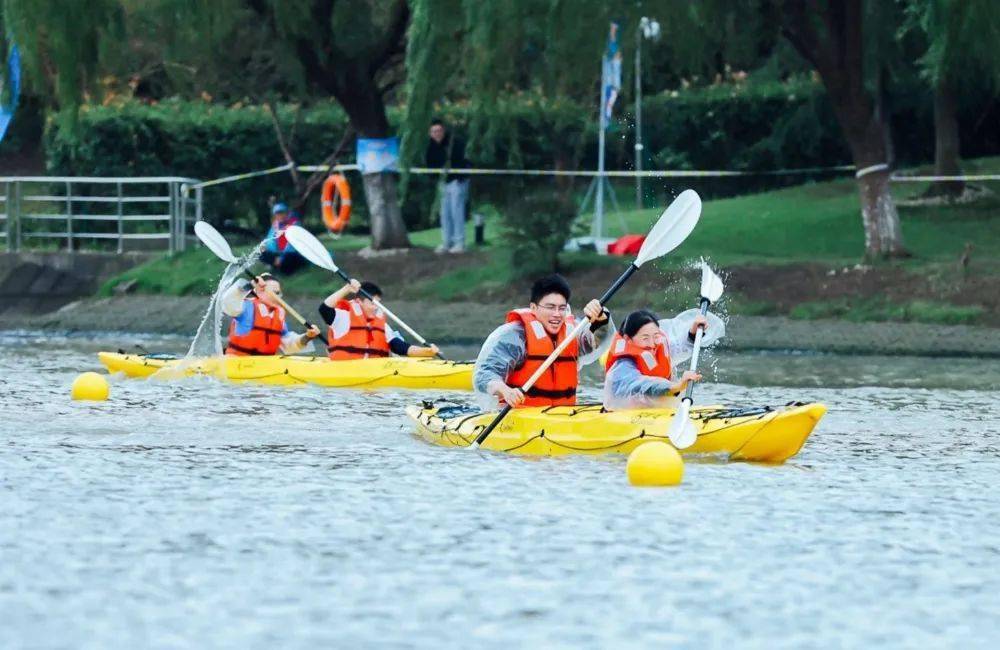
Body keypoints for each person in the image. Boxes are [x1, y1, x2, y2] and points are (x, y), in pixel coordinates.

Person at [474, 274, 609, 408]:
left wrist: (600, 318)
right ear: (533, 308)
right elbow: (485, 376)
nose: (556, 314)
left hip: (561, 416)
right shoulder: (515, 336)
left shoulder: (572, 333)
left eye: (561, 308)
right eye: (550, 307)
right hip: (517, 418)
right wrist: (505, 391)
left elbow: (598, 341)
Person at [602, 309, 710, 410]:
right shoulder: (623, 365)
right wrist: (676, 386)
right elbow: (641, 386)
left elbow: (679, 348)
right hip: (624, 414)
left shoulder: (657, 347)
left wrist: (693, 333)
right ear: (627, 339)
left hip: (656, 410)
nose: (652, 344)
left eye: (655, 336)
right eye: (645, 338)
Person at [319, 279, 440, 359]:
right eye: (372, 303)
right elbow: (324, 309)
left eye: (378, 303)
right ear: (358, 301)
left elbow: (401, 347)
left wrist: (427, 351)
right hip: (345, 373)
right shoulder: (343, 317)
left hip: (374, 375)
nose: (375, 307)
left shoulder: (381, 324)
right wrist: (346, 289)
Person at [222, 273, 320, 356]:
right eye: (274, 292)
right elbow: (227, 301)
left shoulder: (278, 314)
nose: (277, 297)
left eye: (278, 293)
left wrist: (307, 336)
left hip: (264, 365)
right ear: (259, 291)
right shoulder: (245, 307)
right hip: (238, 362)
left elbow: (289, 345)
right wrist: (250, 285)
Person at [425, 118, 471, 254]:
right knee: (444, 213)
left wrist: (460, 177)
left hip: (457, 181)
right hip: (443, 183)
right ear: (430, 133)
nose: (436, 134)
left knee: (456, 211)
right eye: (434, 131)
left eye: (439, 131)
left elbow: (465, 161)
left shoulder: (455, 143)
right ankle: (446, 242)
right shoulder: (431, 147)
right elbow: (430, 166)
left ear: (443, 131)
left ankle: (459, 243)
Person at [259, 203, 306, 275]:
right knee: (261, 254)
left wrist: (282, 257)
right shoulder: (275, 226)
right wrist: (265, 247)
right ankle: (277, 264)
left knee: (288, 260)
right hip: (279, 254)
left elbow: (293, 245)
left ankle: (281, 266)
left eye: (282, 213)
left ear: (287, 213)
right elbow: (270, 240)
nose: (280, 216)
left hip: (293, 254)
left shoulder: (295, 223)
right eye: (277, 214)